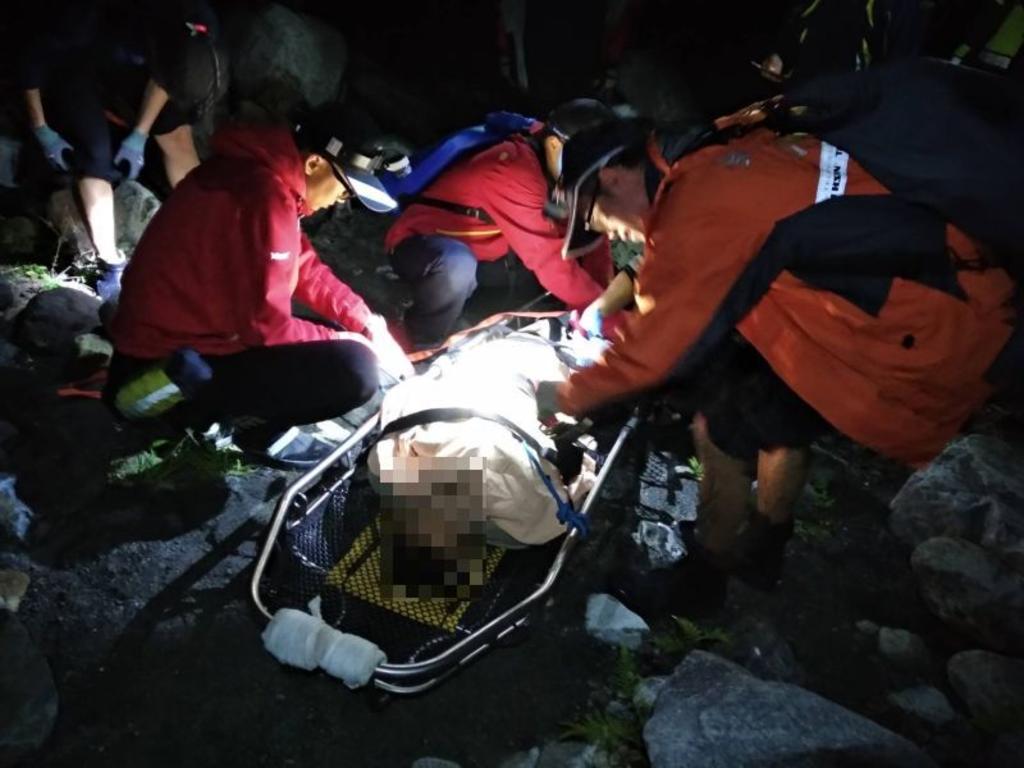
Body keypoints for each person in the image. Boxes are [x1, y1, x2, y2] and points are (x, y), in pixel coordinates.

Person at [537, 110, 1019, 580]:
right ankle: (765, 541)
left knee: (722, 425)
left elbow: (658, 347)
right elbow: (700, 262)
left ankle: (710, 569)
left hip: (921, 325)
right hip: (925, 283)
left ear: (614, 176)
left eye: (597, 218)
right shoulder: (724, 150)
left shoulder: (701, 202)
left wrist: (566, 396)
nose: (610, 232)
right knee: (763, 411)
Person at [105, 104, 413, 467]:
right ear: (314, 163)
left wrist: (367, 323)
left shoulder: (258, 174)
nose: (340, 201)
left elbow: (304, 267)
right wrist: (354, 342)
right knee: (355, 371)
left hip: (177, 329)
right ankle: (229, 424)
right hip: (166, 356)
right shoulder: (266, 198)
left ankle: (229, 411)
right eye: (344, 190)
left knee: (339, 340)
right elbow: (265, 327)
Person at [17, 0, 227, 300]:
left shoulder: (198, 20)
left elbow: (168, 76)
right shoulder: (79, 21)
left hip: (135, 68)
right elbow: (31, 64)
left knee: (177, 134)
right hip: (77, 68)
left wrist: (140, 133)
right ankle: (111, 265)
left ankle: (212, 233)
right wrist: (41, 129)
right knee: (96, 154)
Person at [383, 98, 616, 348]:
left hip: (486, 252)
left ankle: (468, 313)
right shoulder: (512, 170)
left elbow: (588, 233)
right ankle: (420, 340)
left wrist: (608, 302)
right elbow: (549, 261)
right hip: (423, 246)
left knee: (564, 271)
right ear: (554, 145)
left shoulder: (554, 153)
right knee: (458, 266)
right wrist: (612, 322)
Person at [759, 0, 922, 83]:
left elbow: (901, 72)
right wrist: (780, 56)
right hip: (798, 99)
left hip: (851, 118)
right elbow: (799, 19)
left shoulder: (900, 5)